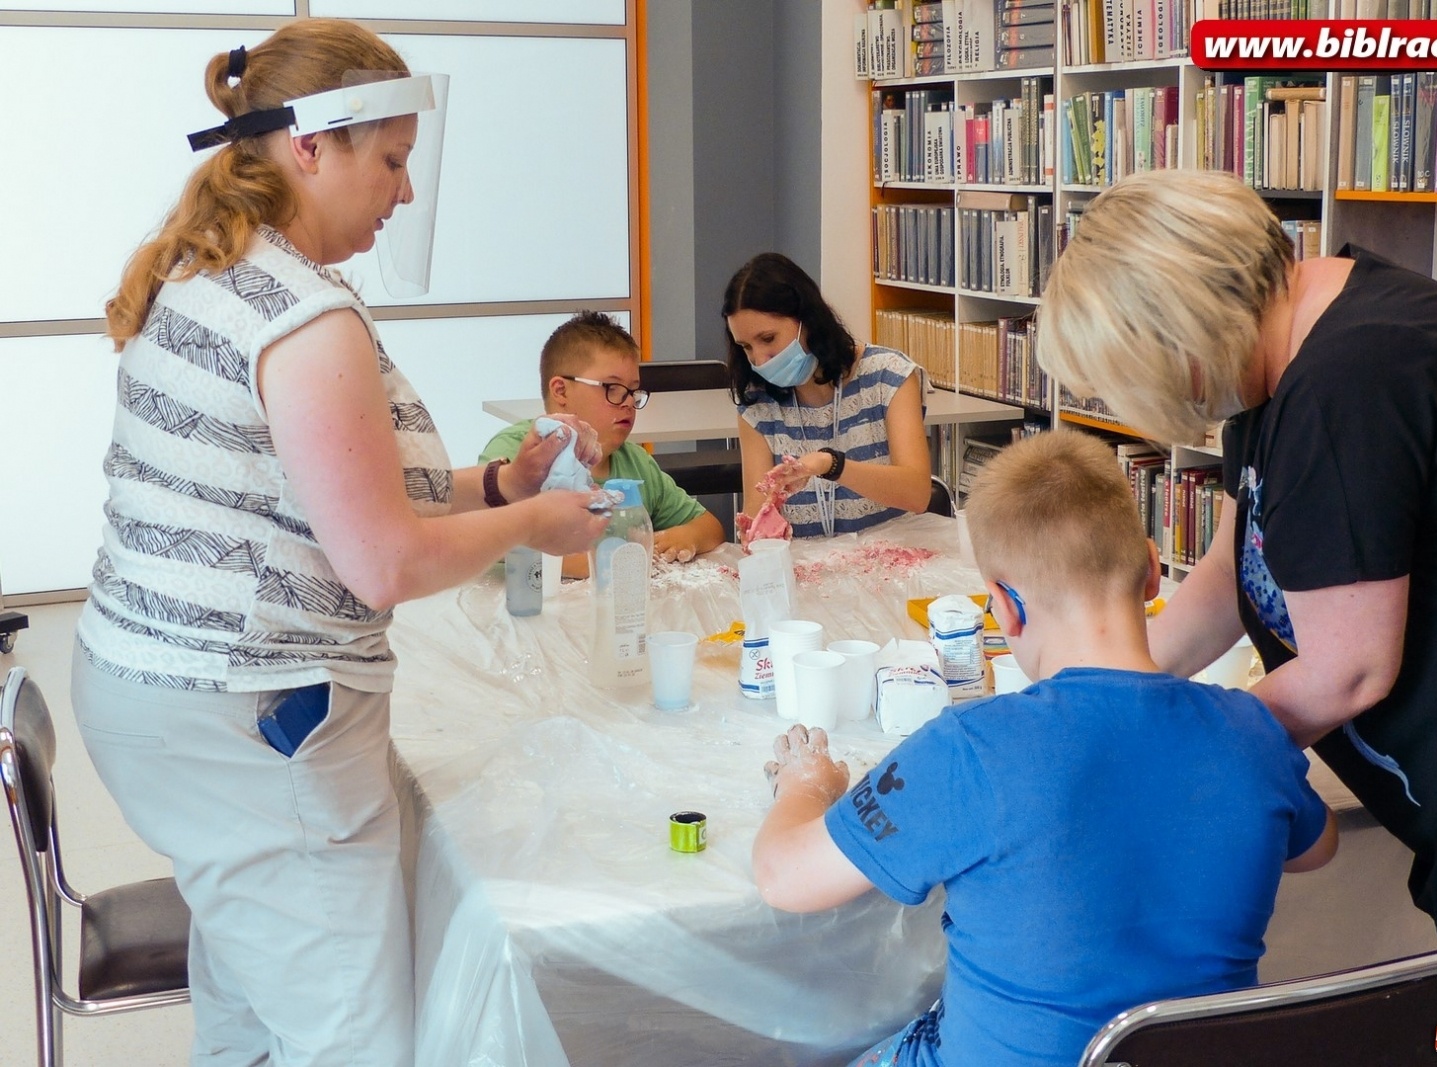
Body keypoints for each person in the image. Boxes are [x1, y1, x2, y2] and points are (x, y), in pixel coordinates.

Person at [74, 21, 608, 1066]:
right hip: (246, 712)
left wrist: (499, 484)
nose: (404, 193)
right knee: (356, 1039)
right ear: (311, 146)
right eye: (393, 161)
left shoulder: (216, 270)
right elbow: (383, 562)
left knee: (252, 1013)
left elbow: (334, 492)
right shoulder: (303, 318)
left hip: (161, 694)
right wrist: (534, 525)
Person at [1038, 168, 1437, 1066]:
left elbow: (1350, 668)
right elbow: (1231, 572)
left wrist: (1167, 743)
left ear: (1182, 329)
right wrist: (1093, 689)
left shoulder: (1350, 379)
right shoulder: (1275, 357)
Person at [752, 429, 1337, 1067]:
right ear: (1151, 572)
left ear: (1004, 607)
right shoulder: (1252, 732)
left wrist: (805, 784)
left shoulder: (971, 748)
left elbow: (783, 877)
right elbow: (1317, 847)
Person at [479, 310, 725, 577]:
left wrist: (683, 537)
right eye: (612, 388)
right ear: (561, 391)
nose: (628, 402)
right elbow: (480, 533)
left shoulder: (636, 463)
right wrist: (590, 563)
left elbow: (709, 527)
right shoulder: (516, 451)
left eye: (633, 391)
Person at [723, 252, 932, 539]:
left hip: (892, 554)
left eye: (768, 339)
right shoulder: (758, 403)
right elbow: (758, 508)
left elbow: (917, 494)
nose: (759, 360)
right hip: (808, 562)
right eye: (746, 347)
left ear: (807, 320)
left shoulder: (888, 375)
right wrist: (757, 531)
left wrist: (831, 465)